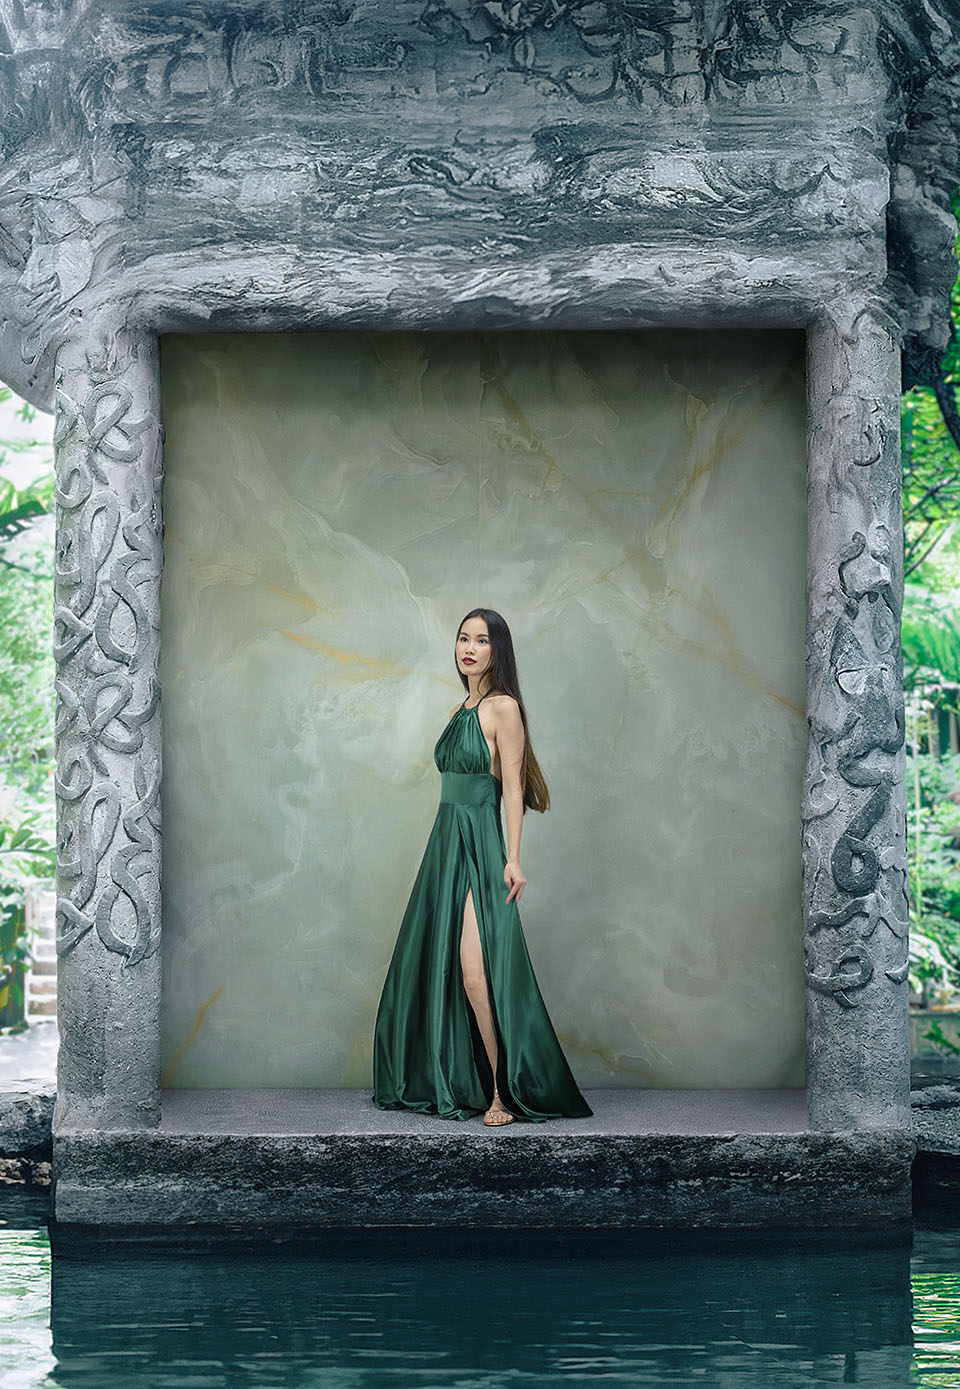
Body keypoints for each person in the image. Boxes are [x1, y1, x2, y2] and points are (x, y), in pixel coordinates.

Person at [372, 607, 592, 1127]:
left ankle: (500, 1090)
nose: (469, 648)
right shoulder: (459, 709)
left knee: (475, 973)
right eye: (463, 638)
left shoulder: (503, 710)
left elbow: (512, 788)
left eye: (482, 640)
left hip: (480, 845)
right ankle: (461, 1077)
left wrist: (513, 858)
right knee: (436, 967)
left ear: (499, 651)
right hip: (444, 845)